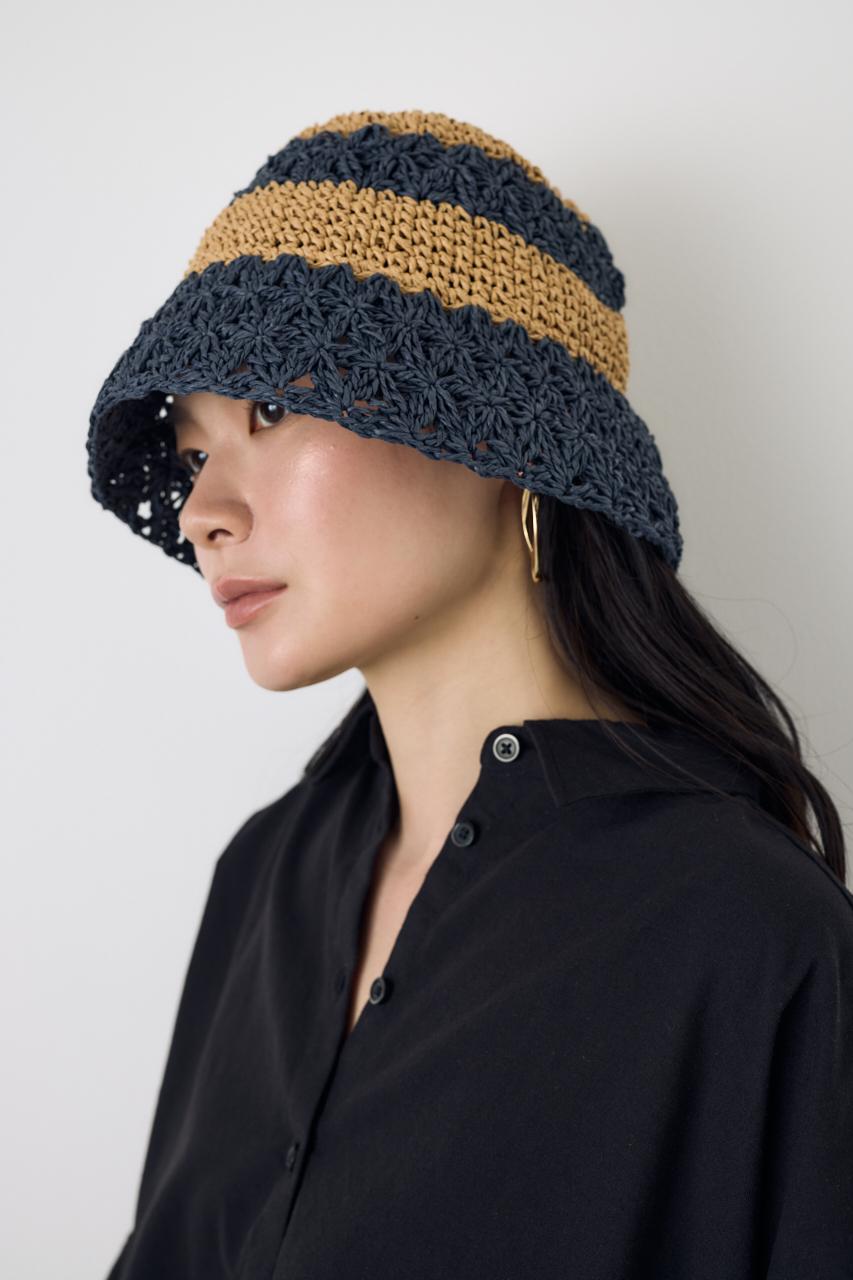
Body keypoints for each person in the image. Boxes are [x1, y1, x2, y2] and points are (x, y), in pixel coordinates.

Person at [87, 110, 853, 1280]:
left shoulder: (752, 935)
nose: (203, 511)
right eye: (193, 450)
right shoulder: (264, 874)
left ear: (493, 426)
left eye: (268, 409)